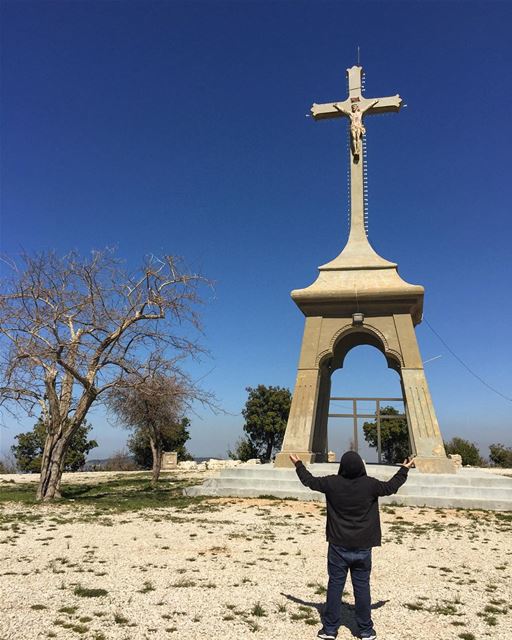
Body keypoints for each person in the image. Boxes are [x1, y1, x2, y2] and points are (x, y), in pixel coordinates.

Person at [289, 451, 415, 640]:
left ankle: (330, 629)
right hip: (363, 545)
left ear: (342, 467)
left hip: (338, 545)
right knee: (362, 586)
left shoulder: (332, 483)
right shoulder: (370, 484)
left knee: (335, 586)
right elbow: (391, 487)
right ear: (361, 467)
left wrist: (298, 465)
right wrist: (404, 470)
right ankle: (365, 630)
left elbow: (310, 481)